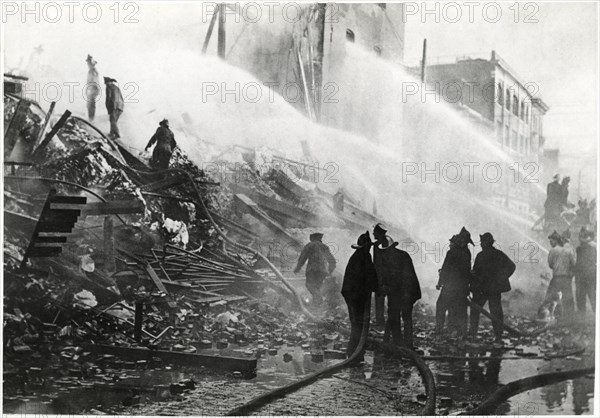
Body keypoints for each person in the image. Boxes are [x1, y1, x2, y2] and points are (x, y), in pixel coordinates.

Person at [373, 230, 421, 349]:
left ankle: (403, 344)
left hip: (406, 291)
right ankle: (399, 344)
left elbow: (406, 276)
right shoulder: (397, 256)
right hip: (398, 291)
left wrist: (392, 289)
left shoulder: (399, 257)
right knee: (398, 316)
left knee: (401, 316)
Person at [469, 233, 516, 343]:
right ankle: (498, 335)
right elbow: (511, 266)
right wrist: (502, 278)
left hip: (482, 288)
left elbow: (475, 273)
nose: (481, 244)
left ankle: (473, 334)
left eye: (482, 242)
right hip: (494, 288)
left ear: (486, 243)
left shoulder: (481, 255)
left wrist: (472, 286)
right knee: (496, 311)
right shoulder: (498, 254)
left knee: (475, 310)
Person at [341, 231, 378, 358]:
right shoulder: (365, 256)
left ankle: (354, 350)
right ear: (366, 246)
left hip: (350, 293)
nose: (370, 248)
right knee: (358, 323)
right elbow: (370, 274)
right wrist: (377, 288)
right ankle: (355, 351)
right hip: (356, 294)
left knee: (355, 322)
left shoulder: (357, 255)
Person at [436, 227, 473, 339]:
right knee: (457, 310)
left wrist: (439, 282)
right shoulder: (467, 253)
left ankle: (440, 331)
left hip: (450, 287)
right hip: (462, 288)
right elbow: (466, 272)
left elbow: (445, 269)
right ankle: (458, 332)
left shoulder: (452, 253)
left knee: (441, 307)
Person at [294, 232, 336, 307]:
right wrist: (330, 271)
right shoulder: (324, 247)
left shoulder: (310, 245)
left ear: (312, 238)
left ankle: (319, 299)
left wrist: (298, 268)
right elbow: (332, 261)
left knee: (309, 285)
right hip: (323, 271)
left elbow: (303, 258)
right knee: (317, 287)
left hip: (312, 270)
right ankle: (316, 306)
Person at [546, 230, 576, 319]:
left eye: (551, 241)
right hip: (566, 278)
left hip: (557, 278)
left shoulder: (553, 250)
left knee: (551, 297)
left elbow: (550, 265)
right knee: (568, 298)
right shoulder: (568, 250)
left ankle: (552, 316)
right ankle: (570, 318)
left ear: (556, 240)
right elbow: (573, 264)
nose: (550, 243)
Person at [575, 227, 596, 314]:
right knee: (592, 295)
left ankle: (582, 315)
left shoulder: (579, 249)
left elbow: (578, 264)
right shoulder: (593, 249)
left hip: (582, 276)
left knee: (581, 296)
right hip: (591, 275)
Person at [372, 223, 388, 327]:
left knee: (379, 298)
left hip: (382, 277)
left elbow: (380, 263)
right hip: (382, 276)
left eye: (375, 232)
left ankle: (380, 321)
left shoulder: (381, 244)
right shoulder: (382, 243)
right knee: (380, 298)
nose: (373, 233)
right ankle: (380, 320)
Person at [85, 55, 100, 122]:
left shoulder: (93, 71)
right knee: (89, 106)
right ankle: (91, 119)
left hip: (92, 90)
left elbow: (93, 81)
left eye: (89, 63)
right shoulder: (92, 70)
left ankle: (91, 120)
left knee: (91, 106)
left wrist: (89, 90)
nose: (88, 64)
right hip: (92, 90)